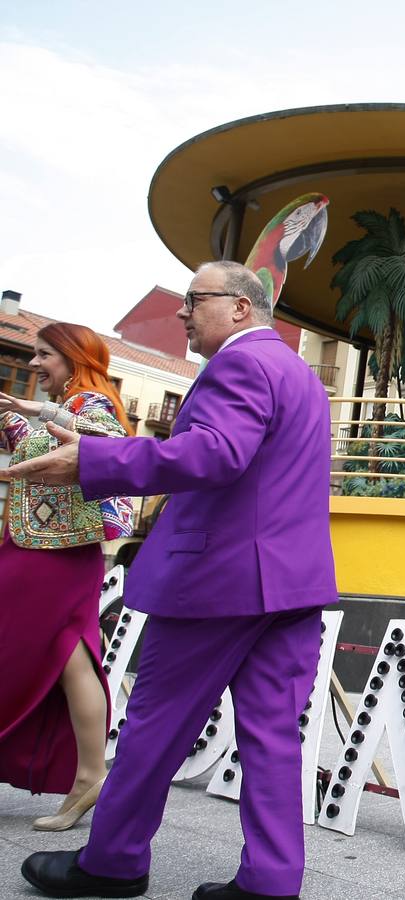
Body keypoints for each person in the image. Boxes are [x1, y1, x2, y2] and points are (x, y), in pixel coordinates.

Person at [11, 261, 337, 900]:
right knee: (273, 737)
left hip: (218, 581)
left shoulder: (238, 365)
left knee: (154, 728)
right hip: (291, 584)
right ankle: (271, 882)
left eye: (195, 299)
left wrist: (96, 460)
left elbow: (215, 452)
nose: (183, 312)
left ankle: (112, 862)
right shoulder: (297, 373)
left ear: (240, 307)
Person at [0, 323, 133, 831]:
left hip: (53, 554)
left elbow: (109, 445)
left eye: (43, 355)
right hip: (34, 547)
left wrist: (40, 410)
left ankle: (91, 775)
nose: (34, 365)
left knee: (63, 651)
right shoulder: (60, 406)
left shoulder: (91, 404)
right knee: (66, 653)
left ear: (75, 358)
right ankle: (88, 776)